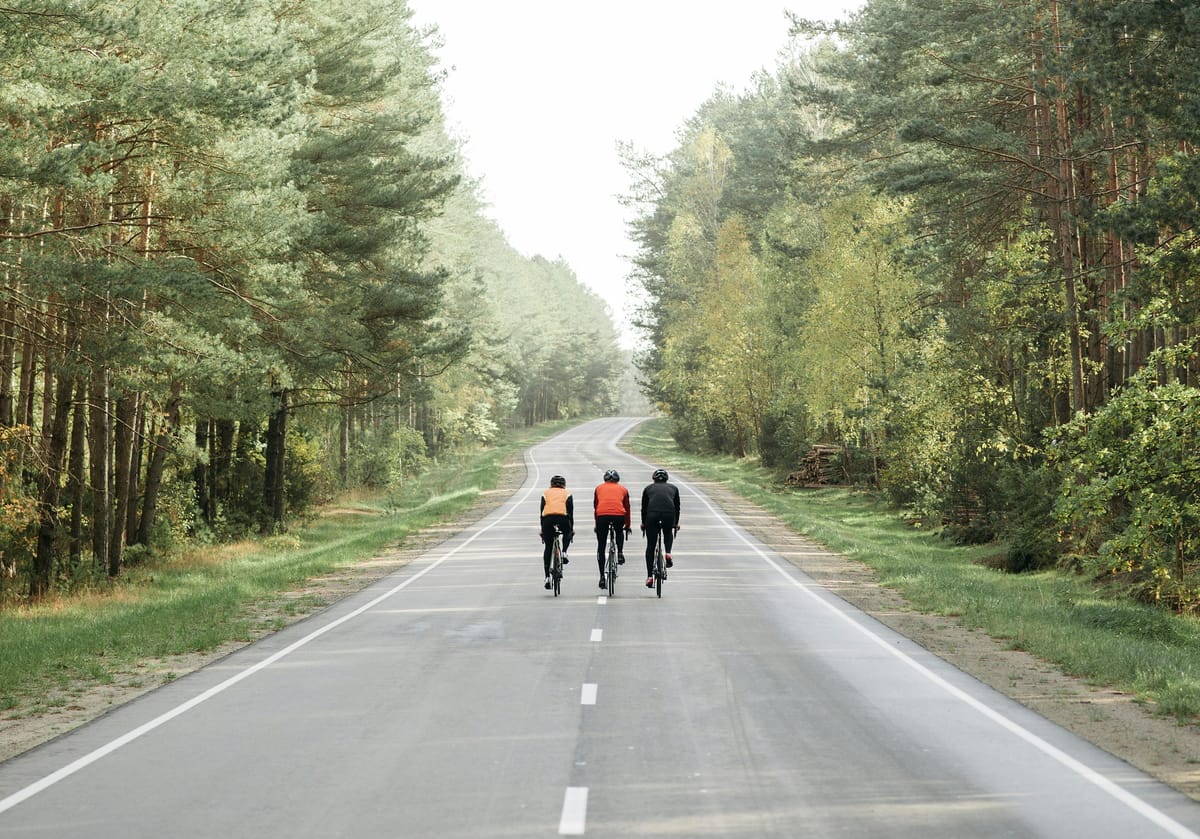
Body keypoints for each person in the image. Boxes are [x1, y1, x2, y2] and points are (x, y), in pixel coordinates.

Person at [641, 468, 680, 588]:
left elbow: (644, 509)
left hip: (652, 516)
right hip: (669, 515)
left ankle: (649, 577)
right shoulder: (674, 488)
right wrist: (676, 523)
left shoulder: (648, 489)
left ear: (654, 479)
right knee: (667, 532)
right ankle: (668, 553)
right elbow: (677, 508)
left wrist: (643, 523)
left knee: (651, 546)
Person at [593, 468, 632, 589]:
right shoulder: (623, 489)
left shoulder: (598, 488)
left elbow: (596, 507)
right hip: (618, 515)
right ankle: (620, 553)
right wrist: (628, 525)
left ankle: (601, 577)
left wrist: (596, 525)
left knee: (601, 546)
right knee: (619, 531)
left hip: (602, 516)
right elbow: (627, 508)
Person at [540, 474, 574, 590]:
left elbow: (541, 512)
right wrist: (570, 531)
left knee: (548, 547)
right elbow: (570, 514)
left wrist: (542, 530)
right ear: (564, 485)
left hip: (547, 520)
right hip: (562, 518)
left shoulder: (545, 493)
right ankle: (564, 552)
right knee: (567, 531)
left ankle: (547, 578)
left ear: (551, 484)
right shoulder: (567, 494)